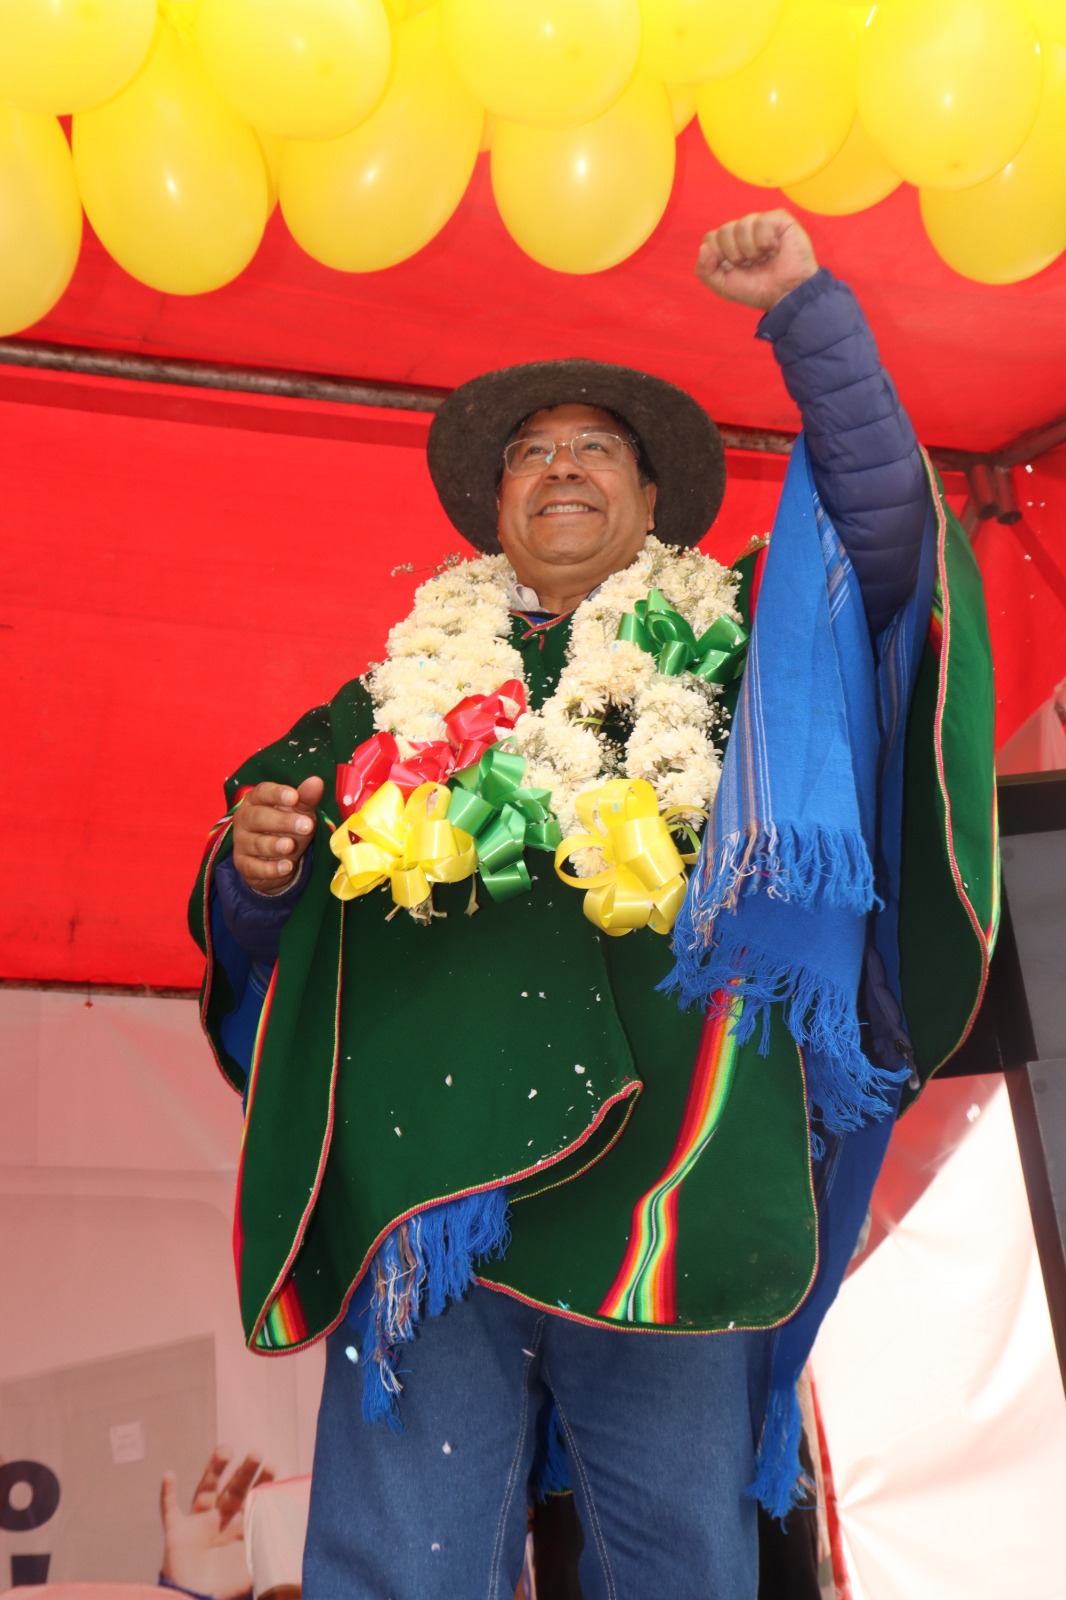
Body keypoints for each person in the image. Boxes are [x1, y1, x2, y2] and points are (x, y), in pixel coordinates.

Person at [190, 211, 997, 1599]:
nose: (560, 466)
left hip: (673, 1179)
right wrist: (255, 873)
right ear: (496, 506)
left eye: (596, 447)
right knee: (398, 1569)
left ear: (652, 500)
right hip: (429, 1200)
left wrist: (809, 317)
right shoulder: (391, 692)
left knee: (677, 1563)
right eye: (532, 452)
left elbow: (879, 540)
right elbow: (261, 903)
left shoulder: (742, 648)